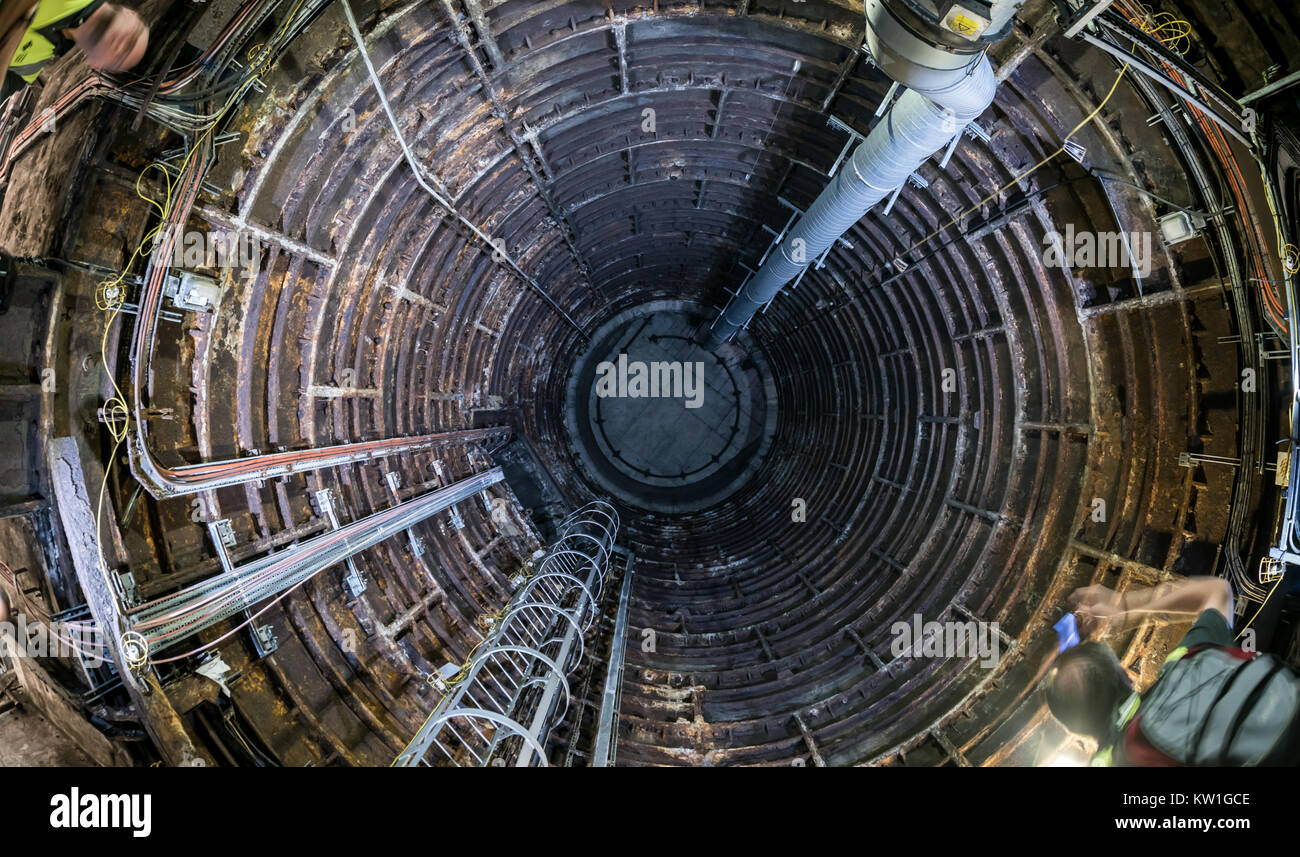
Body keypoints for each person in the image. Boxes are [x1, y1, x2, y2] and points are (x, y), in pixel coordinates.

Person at [1044, 575, 1300, 766]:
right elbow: (1216, 591)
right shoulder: (1186, 660)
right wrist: (1124, 607)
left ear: (1074, 732)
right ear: (1127, 675)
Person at [1, 0, 148, 99]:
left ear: (96, 64)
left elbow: (10, 84)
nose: (120, 46)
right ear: (130, 12)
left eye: (118, 59)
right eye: (131, 39)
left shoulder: (35, 62)